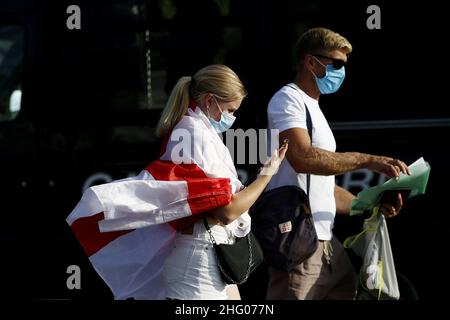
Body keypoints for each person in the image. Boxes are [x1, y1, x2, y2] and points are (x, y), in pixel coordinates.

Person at [66, 64, 287, 300]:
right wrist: (267, 175)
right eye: (230, 110)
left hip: (205, 257)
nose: (232, 118)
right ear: (210, 100)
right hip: (200, 262)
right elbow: (228, 210)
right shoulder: (195, 134)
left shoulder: (194, 129)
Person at [265, 27, 411, 300]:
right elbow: (303, 158)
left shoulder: (314, 108)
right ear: (311, 61)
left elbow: (324, 187)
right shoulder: (288, 99)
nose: (342, 72)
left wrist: (368, 205)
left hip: (326, 244)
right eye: (337, 64)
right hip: (300, 244)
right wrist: (368, 161)